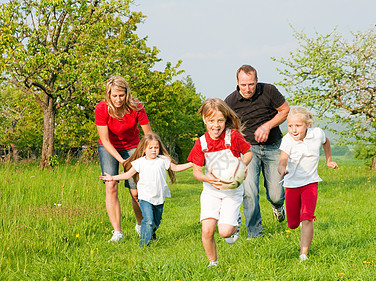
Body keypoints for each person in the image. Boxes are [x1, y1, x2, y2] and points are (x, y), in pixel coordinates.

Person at [224, 64, 290, 239]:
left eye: (251, 84)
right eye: (243, 85)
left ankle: (277, 207)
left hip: (274, 146)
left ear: (257, 81)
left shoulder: (269, 91)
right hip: (248, 150)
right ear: (237, 82)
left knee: (276, 195)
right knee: (249, 192)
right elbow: (226, 129)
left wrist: (267, 126)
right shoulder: (230, 102)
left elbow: (285, 110)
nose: (247, 89)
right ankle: (255, 234)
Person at [188, 98, 253, 267]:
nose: (216, 125)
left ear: (225, 120)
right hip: (211, 191)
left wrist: (243, 166)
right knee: (207, 230)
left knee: (225, 233)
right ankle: (213, 263)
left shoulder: (233, 137)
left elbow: (248, 153)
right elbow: (196, 171)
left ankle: (236, 222)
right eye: (211, 121)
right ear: (204, 120)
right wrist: (205, 177)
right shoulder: (201, 143)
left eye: (220, 120)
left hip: (232, 191)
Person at [100, 133, 193, 247]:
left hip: (159, 197)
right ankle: (143, 245)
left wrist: (192, 163)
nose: (153, 150)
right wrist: (112, 178)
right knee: (148, 220)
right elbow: (127, 175)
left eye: (156, 147)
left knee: (155, 223)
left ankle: (151, 234)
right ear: (144, 149)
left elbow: (176, 168)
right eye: (150, 148)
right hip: (145, 197)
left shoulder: (163, 159)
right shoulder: (139, 162)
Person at [95, 75, 152, 242]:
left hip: (133, 146)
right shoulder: (101, 109)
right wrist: (122, 161)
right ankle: (117, 232)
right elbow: (105, 140)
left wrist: (148, 154)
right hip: (108, 147)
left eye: (121, 95)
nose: (118, 99)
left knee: (135, 191)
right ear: (108, 95)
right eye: (114, 96)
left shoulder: (137, 107)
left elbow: (148, 134)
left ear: (127, 93)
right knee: (111, 185)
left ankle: (140, 224)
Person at [278, 107, 338, 261]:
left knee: (306, 218)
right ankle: (290, 213)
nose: (293, 129)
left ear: (307, 125)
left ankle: (303, 254)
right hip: (291, 185)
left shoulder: (317, 134)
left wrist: (329, 160)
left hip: (310, 183)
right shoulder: (287, 140)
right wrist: (282, 168)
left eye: (298, 126)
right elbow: (283, 159)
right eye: (290, 126)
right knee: (292, 224)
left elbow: (326, 142)